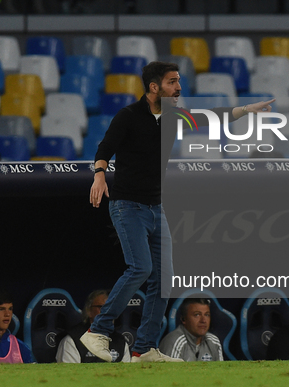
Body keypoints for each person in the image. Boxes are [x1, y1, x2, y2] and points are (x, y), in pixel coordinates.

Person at [83, 61, 274, 363]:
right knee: (140, 269)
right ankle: (98, 331)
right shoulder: (128, 116)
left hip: (156, 208)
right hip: (127, 206)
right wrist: (99, 174)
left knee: (164, 279)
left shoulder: (173, 117)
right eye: (172, 82)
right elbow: (105, 147)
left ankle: (144, 349)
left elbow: (211, 118)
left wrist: (247, 110)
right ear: (154, 87)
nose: (179, 87)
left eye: (179, 81)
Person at [56, 290, 130, 363]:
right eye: (102, 307)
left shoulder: (121, 342)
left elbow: (128, 373)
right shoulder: (72, 341)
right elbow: (68, 373)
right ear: (89, 311)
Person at [159, 298, 224, 362]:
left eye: (207, 315)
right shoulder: (174, 342)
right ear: (183, 319)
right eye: (197, 315)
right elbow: (170, 372)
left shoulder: (213, 341)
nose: (203, 320)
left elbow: (222, 371)